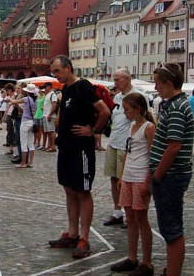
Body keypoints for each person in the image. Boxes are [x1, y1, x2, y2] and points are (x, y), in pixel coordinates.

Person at [48, 55, 110, 259]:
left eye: (57, 71)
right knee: (69, 189)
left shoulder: (83, 86)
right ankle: (72, 233)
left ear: (68, 68)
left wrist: (92, 130)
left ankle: (84, 238)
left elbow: (104, 111)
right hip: (65, 146)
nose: (55, 76)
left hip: (81, 148)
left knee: (83, 191)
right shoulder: (65, 89)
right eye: (53, 72)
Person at [150, 63, 193, 276]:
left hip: (170, 175)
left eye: (157, 82)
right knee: (169, 227)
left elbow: (174, 145)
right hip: (170, 175)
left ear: (168, 83)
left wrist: (157, 175)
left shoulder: (177, 107)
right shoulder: (175, 104)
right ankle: (171, 270)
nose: (155, 87)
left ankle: (173, 272)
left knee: (172, 228)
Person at [110, 92, 155, 276]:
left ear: (138, 109)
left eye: (127, 109)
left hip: (140, 177)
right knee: (130, 218)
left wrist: (147, 182)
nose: (125, 112)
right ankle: (132, 257)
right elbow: (128, 152)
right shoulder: (132, 127)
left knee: (141, 218)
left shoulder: (148, 127)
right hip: (128, 176)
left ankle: (147, 262)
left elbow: (152, 157)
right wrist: (121, 176)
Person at [104, 69, 145, 227]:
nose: (115, 83)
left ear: (127, 79)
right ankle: (117, 211)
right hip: (114, 142)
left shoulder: (138, 96)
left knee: (127, 180)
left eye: (117, 80)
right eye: (114, 80)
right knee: (114, 178)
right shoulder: (117, 97)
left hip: (127, 145)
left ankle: (130, 214)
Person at [11, 83, 38, 168]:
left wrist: (10, 100)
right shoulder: (35, 100)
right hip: (32, 122)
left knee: (23, 143)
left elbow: (14, 102)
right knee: (31, 143)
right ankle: (31, 162)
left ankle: (23, 162)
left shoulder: (26, 98)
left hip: (25, 122)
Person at [42, 82, 57, 152]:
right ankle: (49, 145)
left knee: (52, 130)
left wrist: (50, 114)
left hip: (49, 115)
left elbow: (54, 105)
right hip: (45, 115)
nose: (44, 88)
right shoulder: (47, 94)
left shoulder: (53, 94)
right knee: (48, 131)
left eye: (45, 86)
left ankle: (53, 146)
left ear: (49, 87)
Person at [3, 84, 17, 156]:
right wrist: (4, 116)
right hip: (9, 114)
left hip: (13, 115)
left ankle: (13, 148)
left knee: (13, 132)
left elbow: (15, 104)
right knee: (9, 131)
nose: (7, 92)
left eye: (8, 90)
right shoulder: (8, 97)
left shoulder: (16, 96)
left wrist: (11, 100)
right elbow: (7, 107)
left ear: (11, 89)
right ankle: (11, 147)